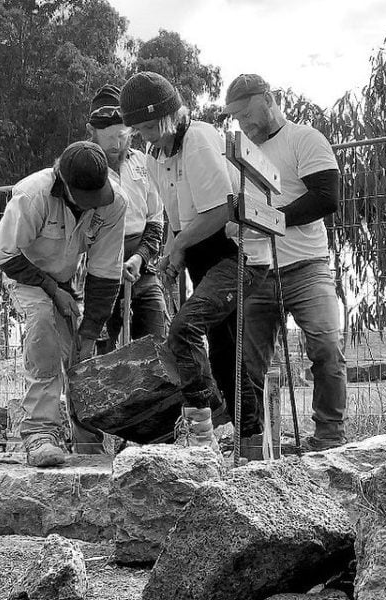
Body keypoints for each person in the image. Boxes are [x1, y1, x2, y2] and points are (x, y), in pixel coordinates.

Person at [119, 71, 270, 449]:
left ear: (172, 115)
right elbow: (177, 218)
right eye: (140, 129)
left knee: (184, 330)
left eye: (152, 126)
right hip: (204, 255)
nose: (147, 135)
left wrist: (178, 245)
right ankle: (249, 439)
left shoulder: (199, 138)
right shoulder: (156, 156)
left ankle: (199, 427)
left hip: (238, 254)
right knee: (226, 351)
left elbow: (221, 210)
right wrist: (172, 258)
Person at [223, 73, 347, 450]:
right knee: (246, 364)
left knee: (326, 349)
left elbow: (326, 197)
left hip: (307, 265)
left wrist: (271, 220)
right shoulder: (237, 156)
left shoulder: (304, 138)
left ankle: (328, 439)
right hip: (258, 270)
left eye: (247, 111)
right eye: (236, 116)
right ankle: (251, 444)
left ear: (270, 98)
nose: (243, 122)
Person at [0, 141, 126, 466]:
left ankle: (89, 442)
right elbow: (5, 254)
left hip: (64, 279)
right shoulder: (31, 195)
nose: (94, 203)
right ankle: (39, 435)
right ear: (65, 184)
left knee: (79, 351)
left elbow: (105, 272)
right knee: (43, 328)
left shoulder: (115, 203)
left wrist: (90, 331)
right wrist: (51, 288)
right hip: (25, 272)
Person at [86, 84, 167, 351]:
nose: (115, 145)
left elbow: (155, 218)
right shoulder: (83, 169)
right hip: (99, 275)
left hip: (142, 269)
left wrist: (140, 256)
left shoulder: (145, 163)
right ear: (91, 133)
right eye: (108, 138)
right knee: (102, 356)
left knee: (157, 346)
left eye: (121, 136)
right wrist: (108, 265)